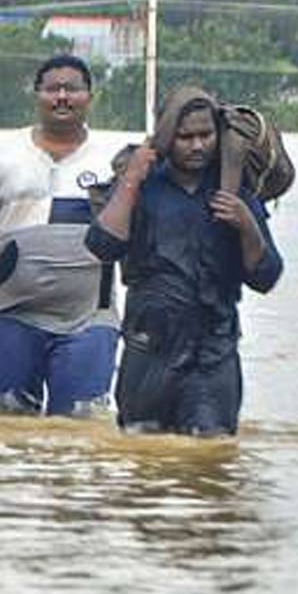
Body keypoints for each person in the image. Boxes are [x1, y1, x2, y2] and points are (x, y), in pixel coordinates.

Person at [85, 86, 284, 437]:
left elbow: (266, 277)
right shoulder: (143, 185)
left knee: (211, 446)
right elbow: (103, 245)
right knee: (140, 448)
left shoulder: (234, 191)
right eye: (185, 137)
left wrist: (247, 226)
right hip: (149, 346)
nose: (196, 146)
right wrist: (131, 178)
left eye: (205, 135)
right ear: (166, 137)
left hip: (214, 350)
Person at [0, 54, 119, 416]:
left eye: (73, 89)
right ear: (37, 95)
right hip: (10, 311)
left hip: (89, 318)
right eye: (53, 89)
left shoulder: (113, 160)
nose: (62, 97)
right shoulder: (1, 155)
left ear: (90, 96)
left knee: (80, 429)